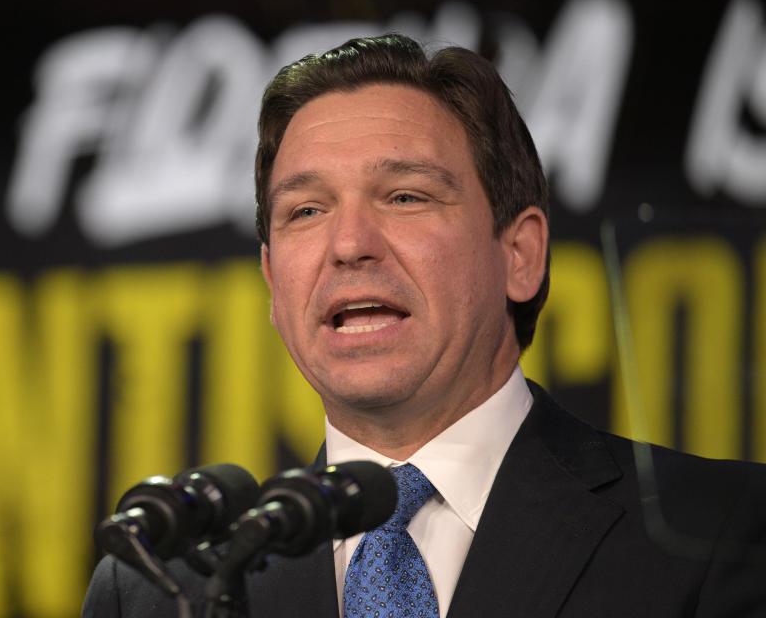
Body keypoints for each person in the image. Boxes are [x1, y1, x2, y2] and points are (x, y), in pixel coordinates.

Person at [83, 34, 766, 617]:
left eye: (405, 196)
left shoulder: (724, 533)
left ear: (519, 254)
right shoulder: (163, 587)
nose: (348, 243)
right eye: (306, 211)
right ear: (272, 283)